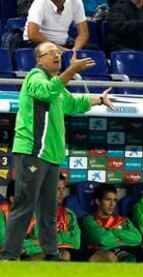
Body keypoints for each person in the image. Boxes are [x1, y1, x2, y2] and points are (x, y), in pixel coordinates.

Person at [0, 41, 114, 261]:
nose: (56, 56)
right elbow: (48, 92)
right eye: (50, 53)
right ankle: (8, 256)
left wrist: (99, 99)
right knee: (24, 205)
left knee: (49, 210)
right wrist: (72, 70)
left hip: (51, 156)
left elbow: (73, 103)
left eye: (58, 53)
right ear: (39, 59)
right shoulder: (35, 77)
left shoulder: (57, 84)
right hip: (33, 152)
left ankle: (52, 254)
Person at [82, 184, 142, 262]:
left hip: (132, 249)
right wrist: (124, 238)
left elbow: (137, 238)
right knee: (130, 259)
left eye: (114, 200)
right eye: (108, 200)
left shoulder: (123, 220)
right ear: (98, 201)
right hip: (110, 252)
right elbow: (103, 239)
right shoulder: (90, 220)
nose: (112, 204)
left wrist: (113, 231)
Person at [0, 181, 43, 260]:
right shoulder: (1, 212)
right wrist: (31, 242)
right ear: (12, 198)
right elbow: (2, 242)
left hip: (25, 251)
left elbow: (41, 242)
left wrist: (26, 250)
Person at [22, 0, 89, 51]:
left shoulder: (76, 2)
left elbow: (84, 33)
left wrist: (74, 51)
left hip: (63, 45)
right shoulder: (40, 2)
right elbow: (33, 34)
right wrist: (59, 49)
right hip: (38, 45)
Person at [56, 173, 81, 261]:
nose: (62, 193)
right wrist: (66, 236)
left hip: (67, 251)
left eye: (63, 189)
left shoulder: (69, 214)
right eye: (58, 189)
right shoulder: (35, 213)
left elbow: (76, 243)